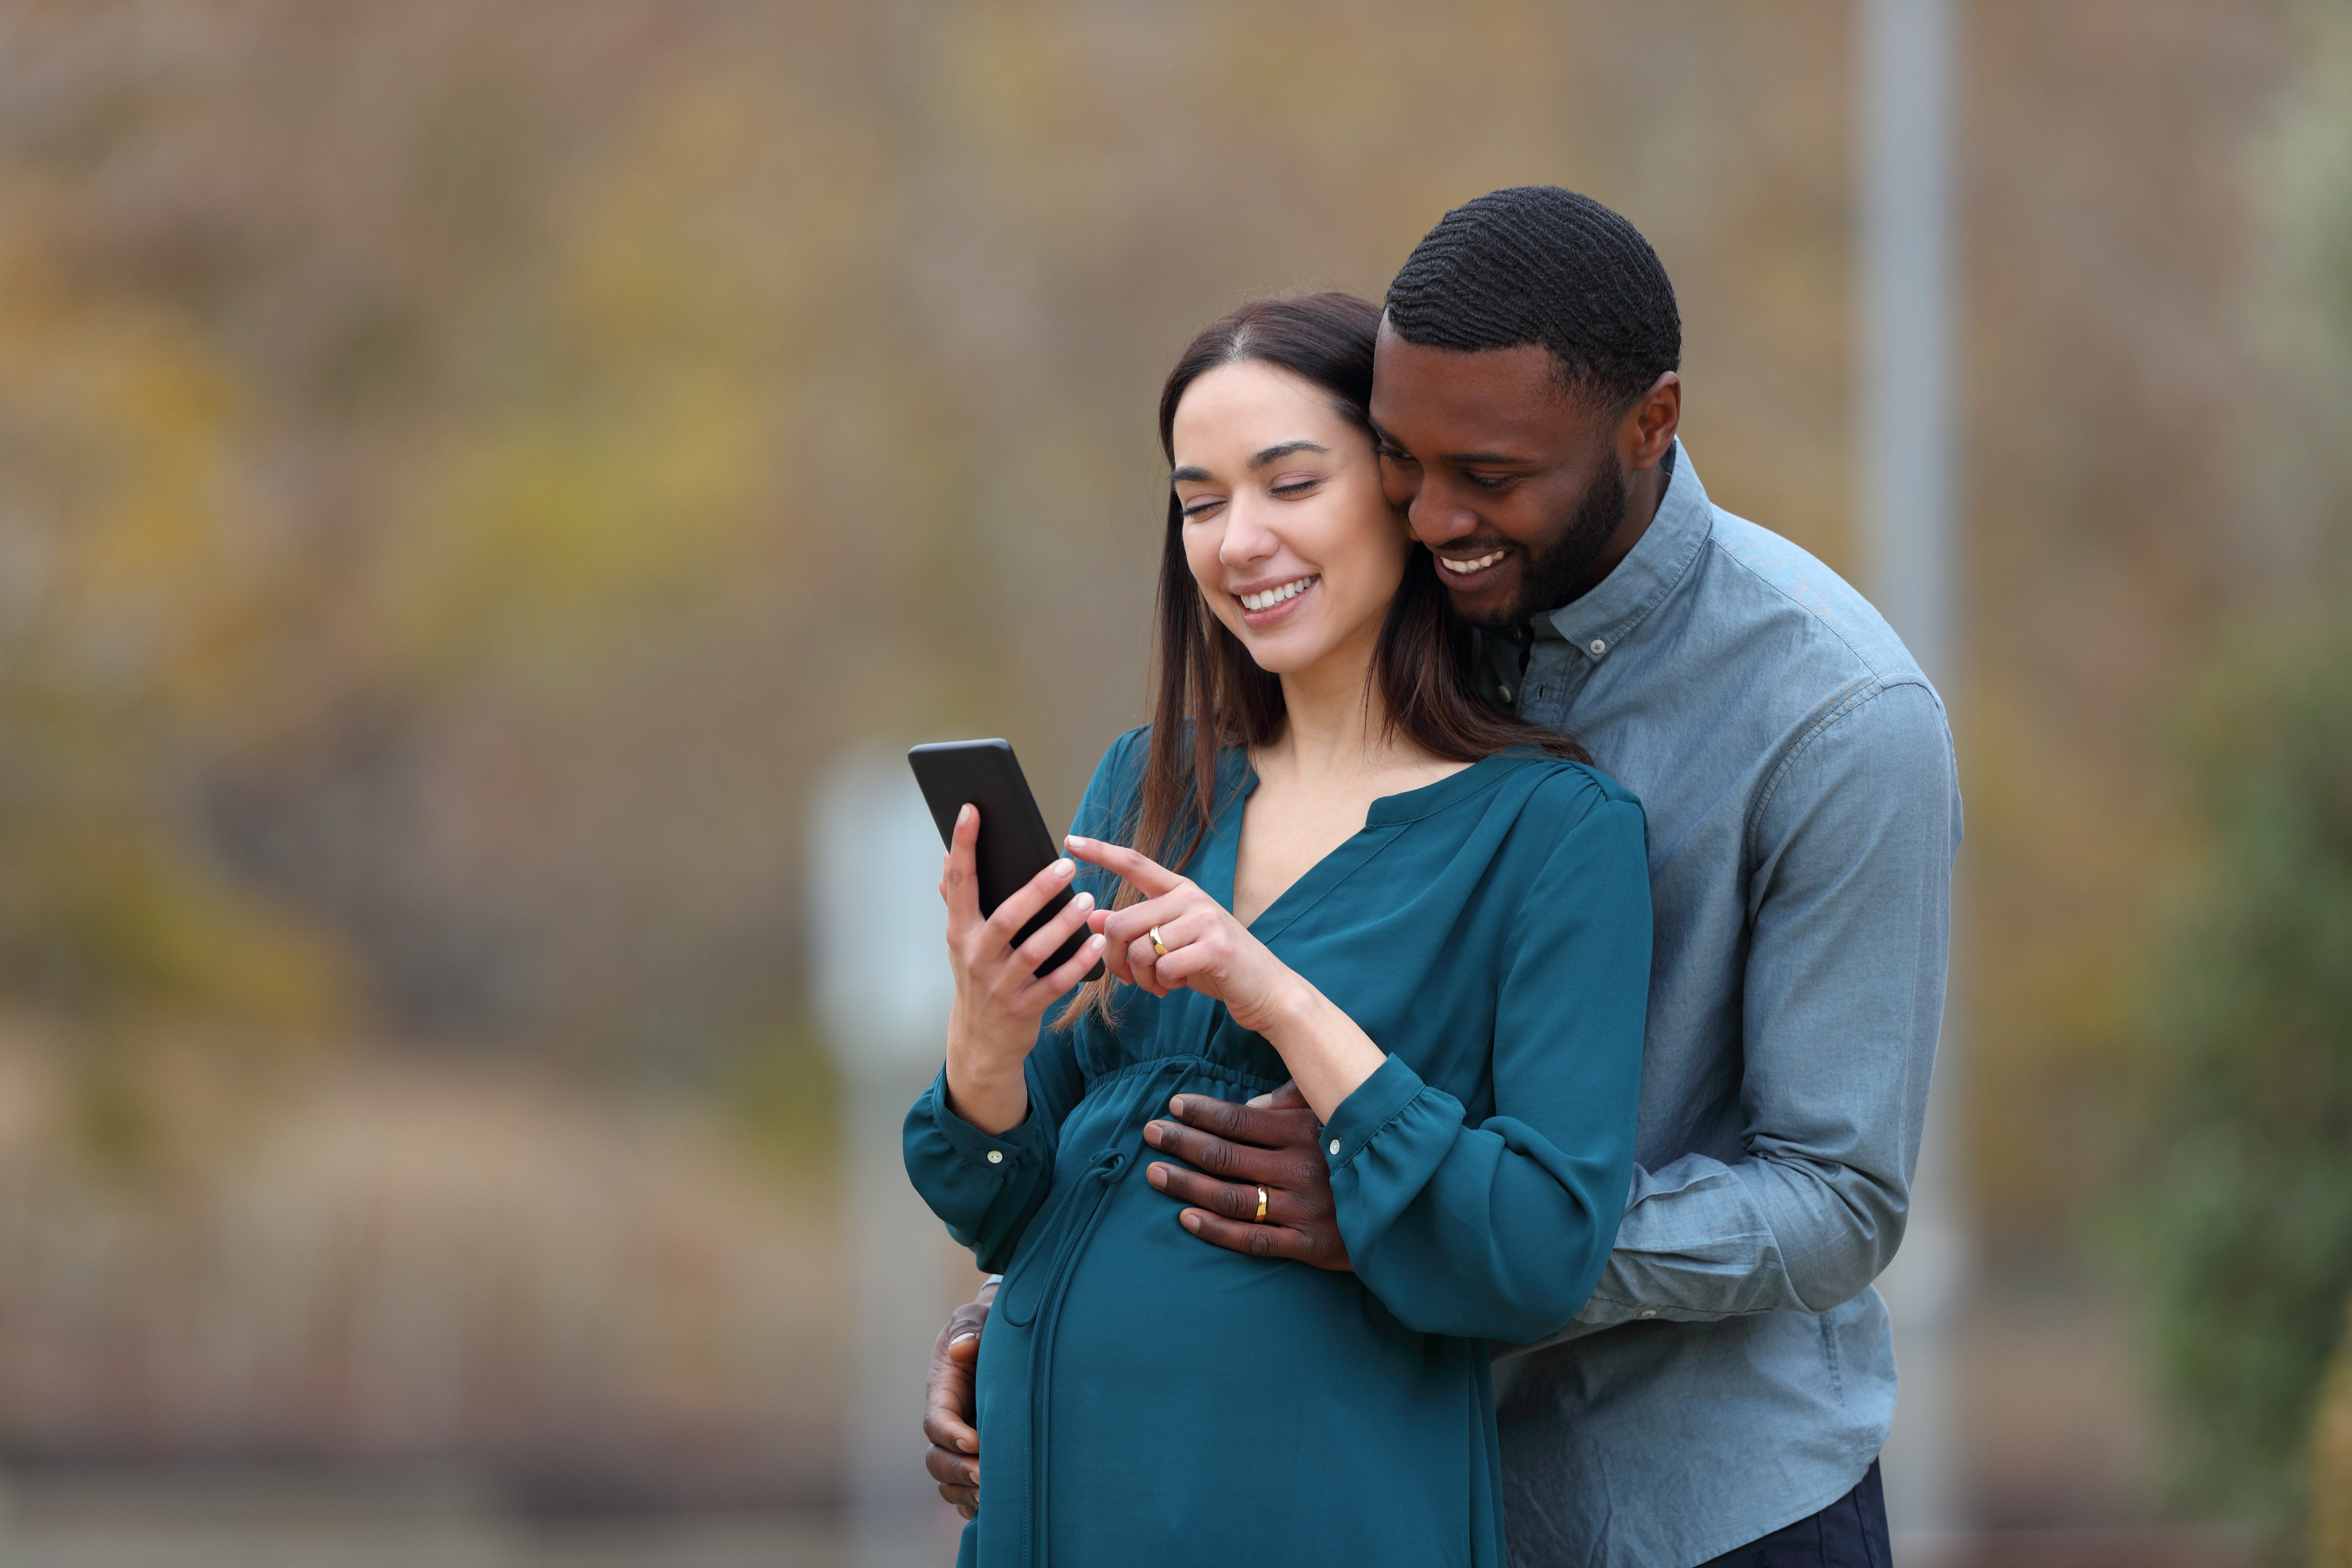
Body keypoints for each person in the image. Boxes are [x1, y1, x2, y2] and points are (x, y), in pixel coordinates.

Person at [924, 188, 1962, 1568]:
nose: (1433, 514)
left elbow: (1838, 1200)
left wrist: (1405, 1210)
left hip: (1684, 1500)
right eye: (1402, 464)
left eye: (1485, 473)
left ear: (1650, 425)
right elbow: (1132, 1115)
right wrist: (1040, 1308)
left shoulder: (1836, 717)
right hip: (1357, 1466)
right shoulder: (1386, 635)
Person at [902, 289, 1653, 1568]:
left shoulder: (1555, 831)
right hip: (1059, 1512)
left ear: (1402, 495)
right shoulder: (1155, 784)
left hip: (1317, 1506)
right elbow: (1006, 1204)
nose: (1239, 540)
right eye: (1200, 502)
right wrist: (988, 1032)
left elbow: (1536, 1251)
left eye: (1289, 484)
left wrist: (1279, 996)